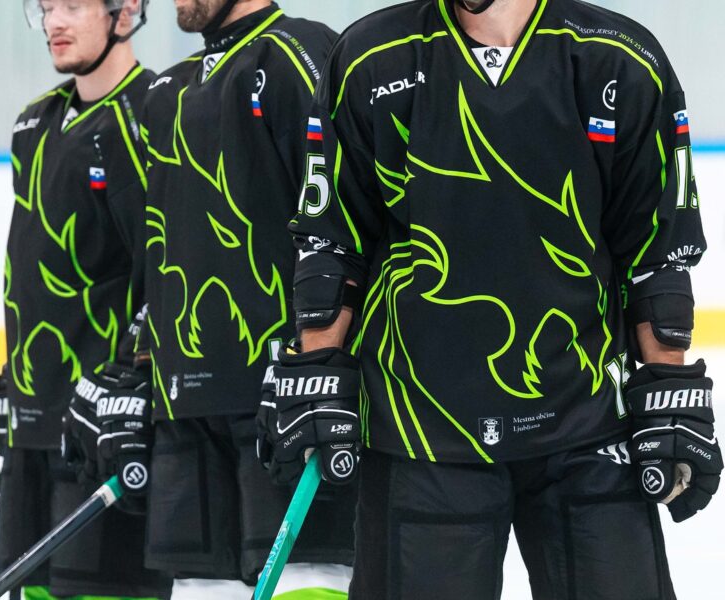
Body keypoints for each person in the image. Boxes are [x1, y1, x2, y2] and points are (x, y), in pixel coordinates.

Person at [259, 0, 720, 597]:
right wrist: (319, 366)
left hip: (587, 424)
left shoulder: (619, 58)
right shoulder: (371, 57)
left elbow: (657, 251)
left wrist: (666, 384)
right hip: (419, 429)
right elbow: (331, 243)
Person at [140, 0, 354, 597]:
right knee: (199, 589)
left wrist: (323, 362)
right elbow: (154, 244)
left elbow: (345, 221)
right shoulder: (167, 90)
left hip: (286, 399)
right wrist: (139, 365)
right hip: (186, 407)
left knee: (308, 581)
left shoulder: (302, 54)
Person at [0, 0, 170, 598]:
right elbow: (30, 269)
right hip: (36, 424)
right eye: (46, 8)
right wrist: (15, 384)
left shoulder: (158, 113)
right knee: (30, 587)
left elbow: (167, 274)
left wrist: (135, 384)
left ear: (126, 12)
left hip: (104, 425)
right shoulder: (33, 123)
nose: (55, 23)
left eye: (73, 5)